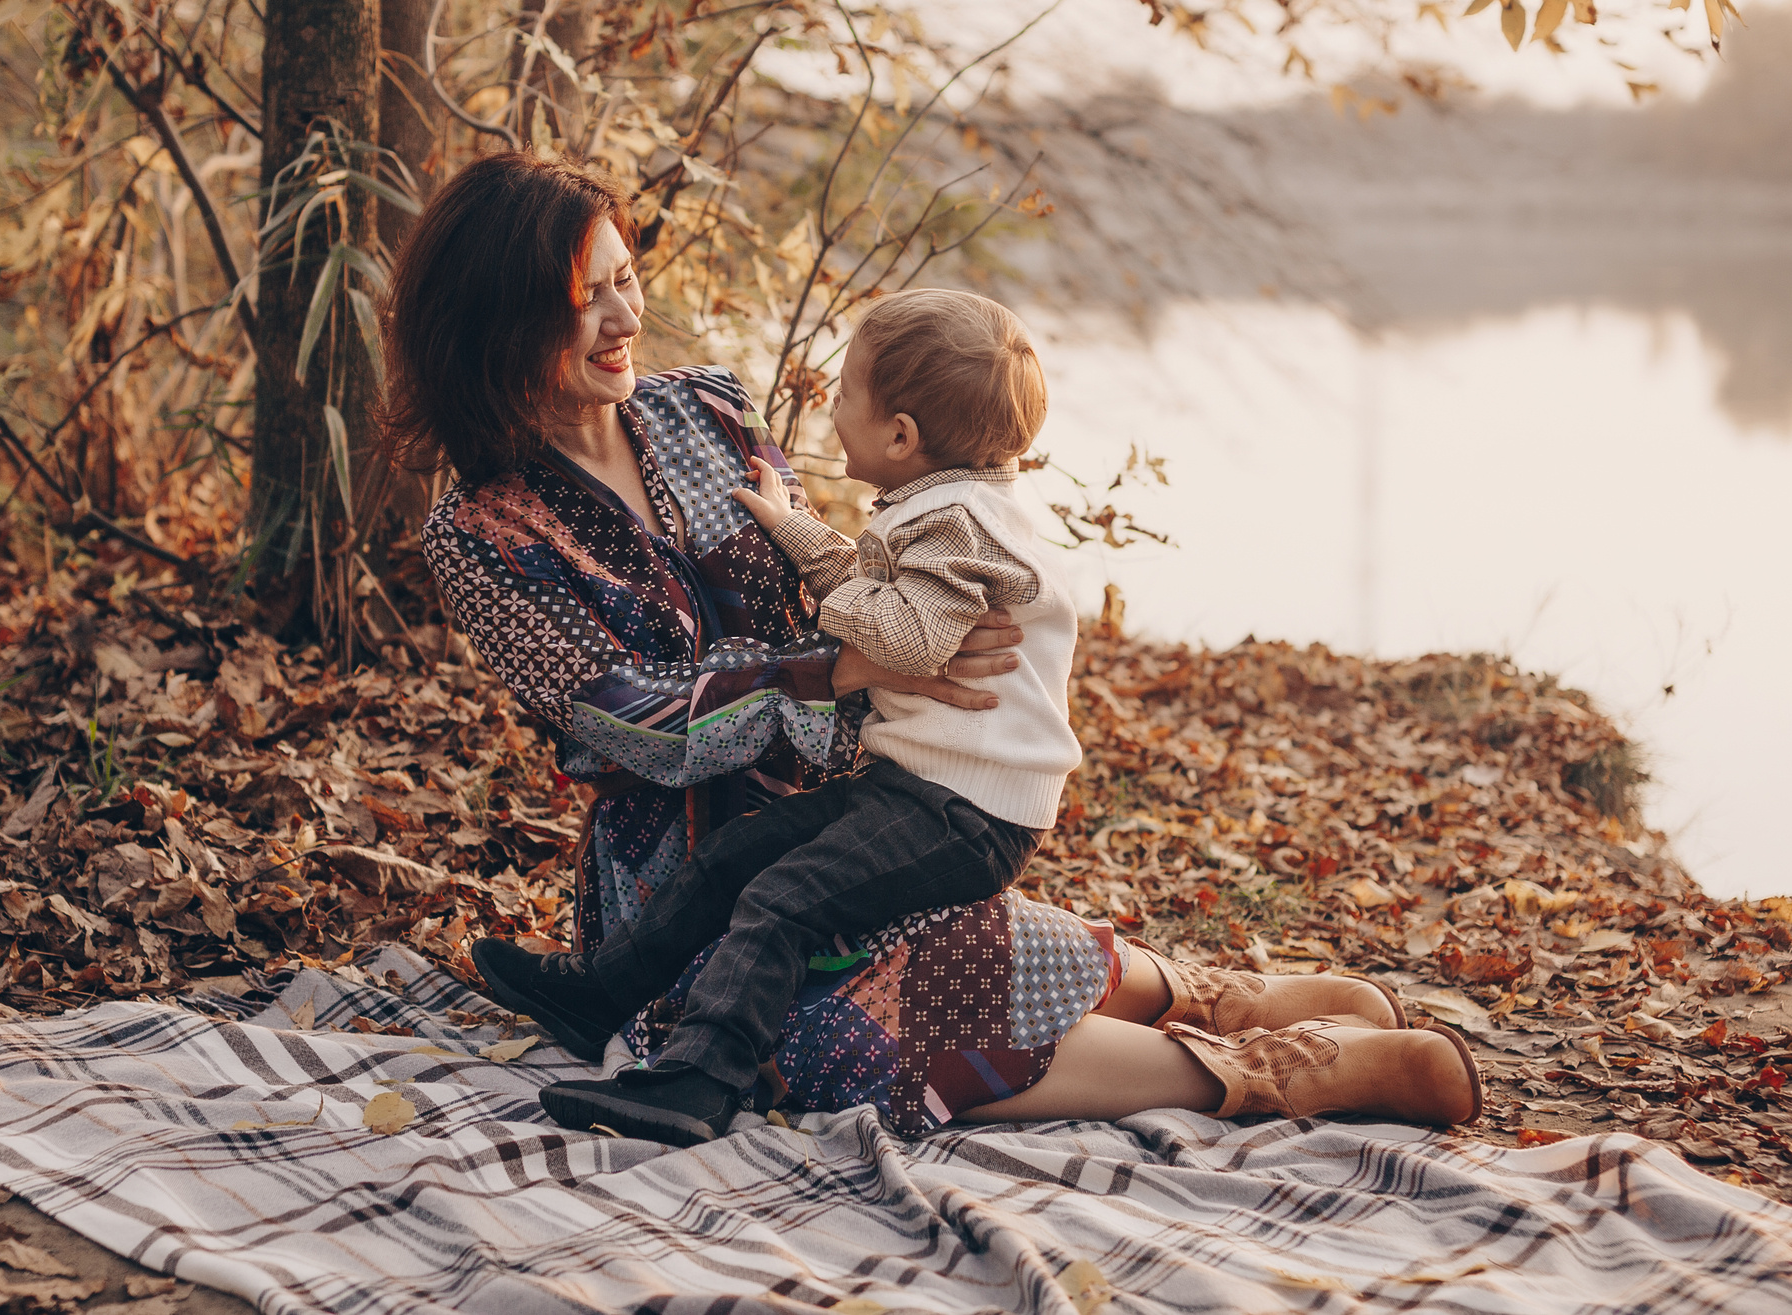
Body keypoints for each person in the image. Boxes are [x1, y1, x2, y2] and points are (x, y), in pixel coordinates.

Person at [390, 150, 1483, 1144]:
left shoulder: (707, 410)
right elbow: (625, 723)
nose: (626, 313)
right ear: (502, 321)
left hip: (863, 793)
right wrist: (844, 669)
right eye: (589, 297)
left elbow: (868, 579)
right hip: (677, 872)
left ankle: (1229, 1003)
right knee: (823, 1038)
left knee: (945, 929)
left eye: (627, 276)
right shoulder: (482, 533)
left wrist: (902, 670)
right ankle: (1272, 1068)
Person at [484, 289, 1080, 1145]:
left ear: (903, 437)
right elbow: (884, 613)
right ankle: (598, 992)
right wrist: (799, 532)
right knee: (736, 858)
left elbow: (905, 637)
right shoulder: (956, 506)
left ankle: (699, 1080)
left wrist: (818, 571)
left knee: (785, 899)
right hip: (921, 788)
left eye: (844, 395)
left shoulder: (961, 525)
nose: (831, 409)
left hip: (966, 813)